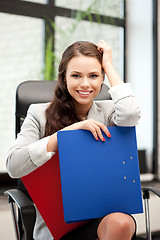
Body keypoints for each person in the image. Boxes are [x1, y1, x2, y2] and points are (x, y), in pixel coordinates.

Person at [6, 40, 141, 240]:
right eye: (76, 75)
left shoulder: (110, 112)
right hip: (60, 226)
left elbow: (130, 113)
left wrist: (109, 66)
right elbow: (13, 166)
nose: (85, 84)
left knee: (121, 222)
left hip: (104, 215)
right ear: (64, 78)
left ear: (102, 78)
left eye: (94, 76)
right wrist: (63, 136)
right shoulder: (38, 114)